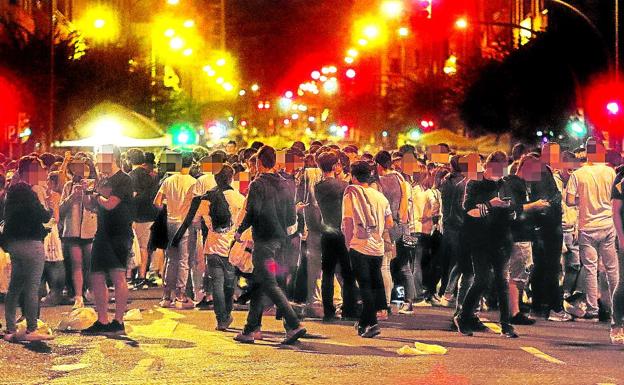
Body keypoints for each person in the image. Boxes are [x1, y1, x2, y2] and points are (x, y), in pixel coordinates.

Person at [233, 146, 306, 345]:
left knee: (270, 284)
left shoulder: (258, 184)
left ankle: (293, 324)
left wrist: (240, 230)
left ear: (258, 163)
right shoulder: (286, 184)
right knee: (260, 282)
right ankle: (251, 329)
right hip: (281, 241)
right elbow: (292, 216)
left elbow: (253, 211)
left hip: (264, 241)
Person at [455, 151, 519, 338]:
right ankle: (463, 316)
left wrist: (511, 210)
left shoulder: (504, 184)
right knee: (481, 279)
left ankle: (506, 325)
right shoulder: (474, 183)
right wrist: (491, 205)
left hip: (501, 238)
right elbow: (469, 211)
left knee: (502, 281)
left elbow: (513, 206)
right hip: (479, 239)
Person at [174, 165, 244, 330]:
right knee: (229, 284)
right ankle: (227, 313)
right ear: (231, 178)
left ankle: (221, 319)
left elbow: (195, 220)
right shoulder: (239, 198)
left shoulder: (208, 198)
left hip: (211, 247)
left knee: (217, 284)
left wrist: (208, 223)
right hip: (231, 248)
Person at [81, 147, 134, 336]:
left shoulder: (124, 179)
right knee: (96, 274)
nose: (96, 160)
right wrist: (86, 193)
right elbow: (91, 207)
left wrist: (96, 196)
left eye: (99, 157)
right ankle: (102, 320)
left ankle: (118, 321)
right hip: (102, 232)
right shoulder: (102, 180)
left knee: (118, 275)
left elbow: (110, 204)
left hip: (119, 233)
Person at [566, 138, 619, 322]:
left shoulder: (578, 174)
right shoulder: (610, 172)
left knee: (590, 268)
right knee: (612, 269)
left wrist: (584, 201)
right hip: (607, 224)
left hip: (587, 226)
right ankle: (616, 307)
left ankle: (593, 308)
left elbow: (569, 201)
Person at [2, 156, 54, 342]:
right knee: (32, 287)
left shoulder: (12, 190)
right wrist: (50, 208)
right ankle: (32, 328)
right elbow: (42, 215)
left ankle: (10, 328)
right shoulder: (28, 192)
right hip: (31, 242)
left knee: (15, 287)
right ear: (30, 172)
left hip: (14, 244)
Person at [342, 160, 393, 338]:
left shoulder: (352, 194)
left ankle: (371, 323)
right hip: (377, 248)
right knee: (373, 282)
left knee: (364, 286)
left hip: (359, 245)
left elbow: (347, 222)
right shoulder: (380, 196)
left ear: (353, 176)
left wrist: (349, 243)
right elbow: (389, 223)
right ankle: (366, 321)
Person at [315, 151, 357, 321]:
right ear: (334, 166)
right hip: (342, 232)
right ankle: (349, 310)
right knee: (347, 272)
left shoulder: (318, 187)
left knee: (327, 273)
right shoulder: (343, 186)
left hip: (326, 231)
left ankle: (329, 311)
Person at [153, 152, 198, 309]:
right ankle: (180, 295)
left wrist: (168, 207)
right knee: (184, 260)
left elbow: (157, 202)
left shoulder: (168, 180)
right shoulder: (194, 182)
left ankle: (166, 296)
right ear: (191, 164)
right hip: (185, 224)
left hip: (170, 222)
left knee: (170, 259)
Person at [59, 157, 98, 309]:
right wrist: (72, 198)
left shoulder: (95, 184)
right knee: (76, 263)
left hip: (90, 230)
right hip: (72, 230)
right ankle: (78, 296)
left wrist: (89, 193)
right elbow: (60, 209)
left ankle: (90, 290)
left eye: (85, 168)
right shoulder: (69, 186)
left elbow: (97, 207)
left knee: (90, 264)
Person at [127, 148, 159, 290]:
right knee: (144, 247)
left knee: (133, 247)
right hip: (151, 215)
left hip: (136, 216)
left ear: (129, 160)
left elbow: (132, 198)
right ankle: (142, 276)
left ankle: (129, 276)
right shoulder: (151, 176)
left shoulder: (131, 176)